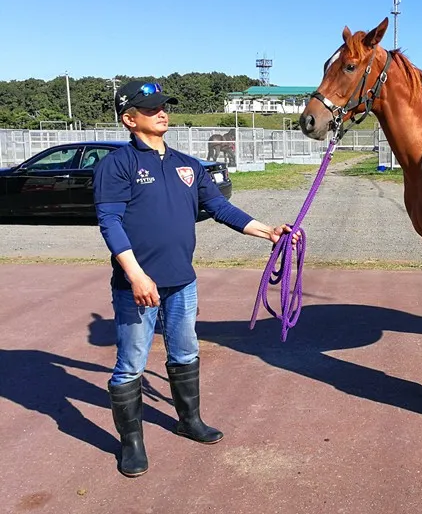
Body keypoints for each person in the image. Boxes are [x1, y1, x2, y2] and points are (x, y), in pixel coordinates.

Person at [94, 80, 297, 477]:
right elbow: (110, 222)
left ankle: (189, 421)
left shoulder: (187, 164)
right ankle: (131, 443)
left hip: (182, 282)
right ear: (129, 119)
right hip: (138, 287)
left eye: (163, 107)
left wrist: (267, 230)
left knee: (185, 353)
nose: (162, 113)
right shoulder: (116, 166)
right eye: (151, 109)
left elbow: (219, 207)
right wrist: (135, 275)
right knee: (131, 365)